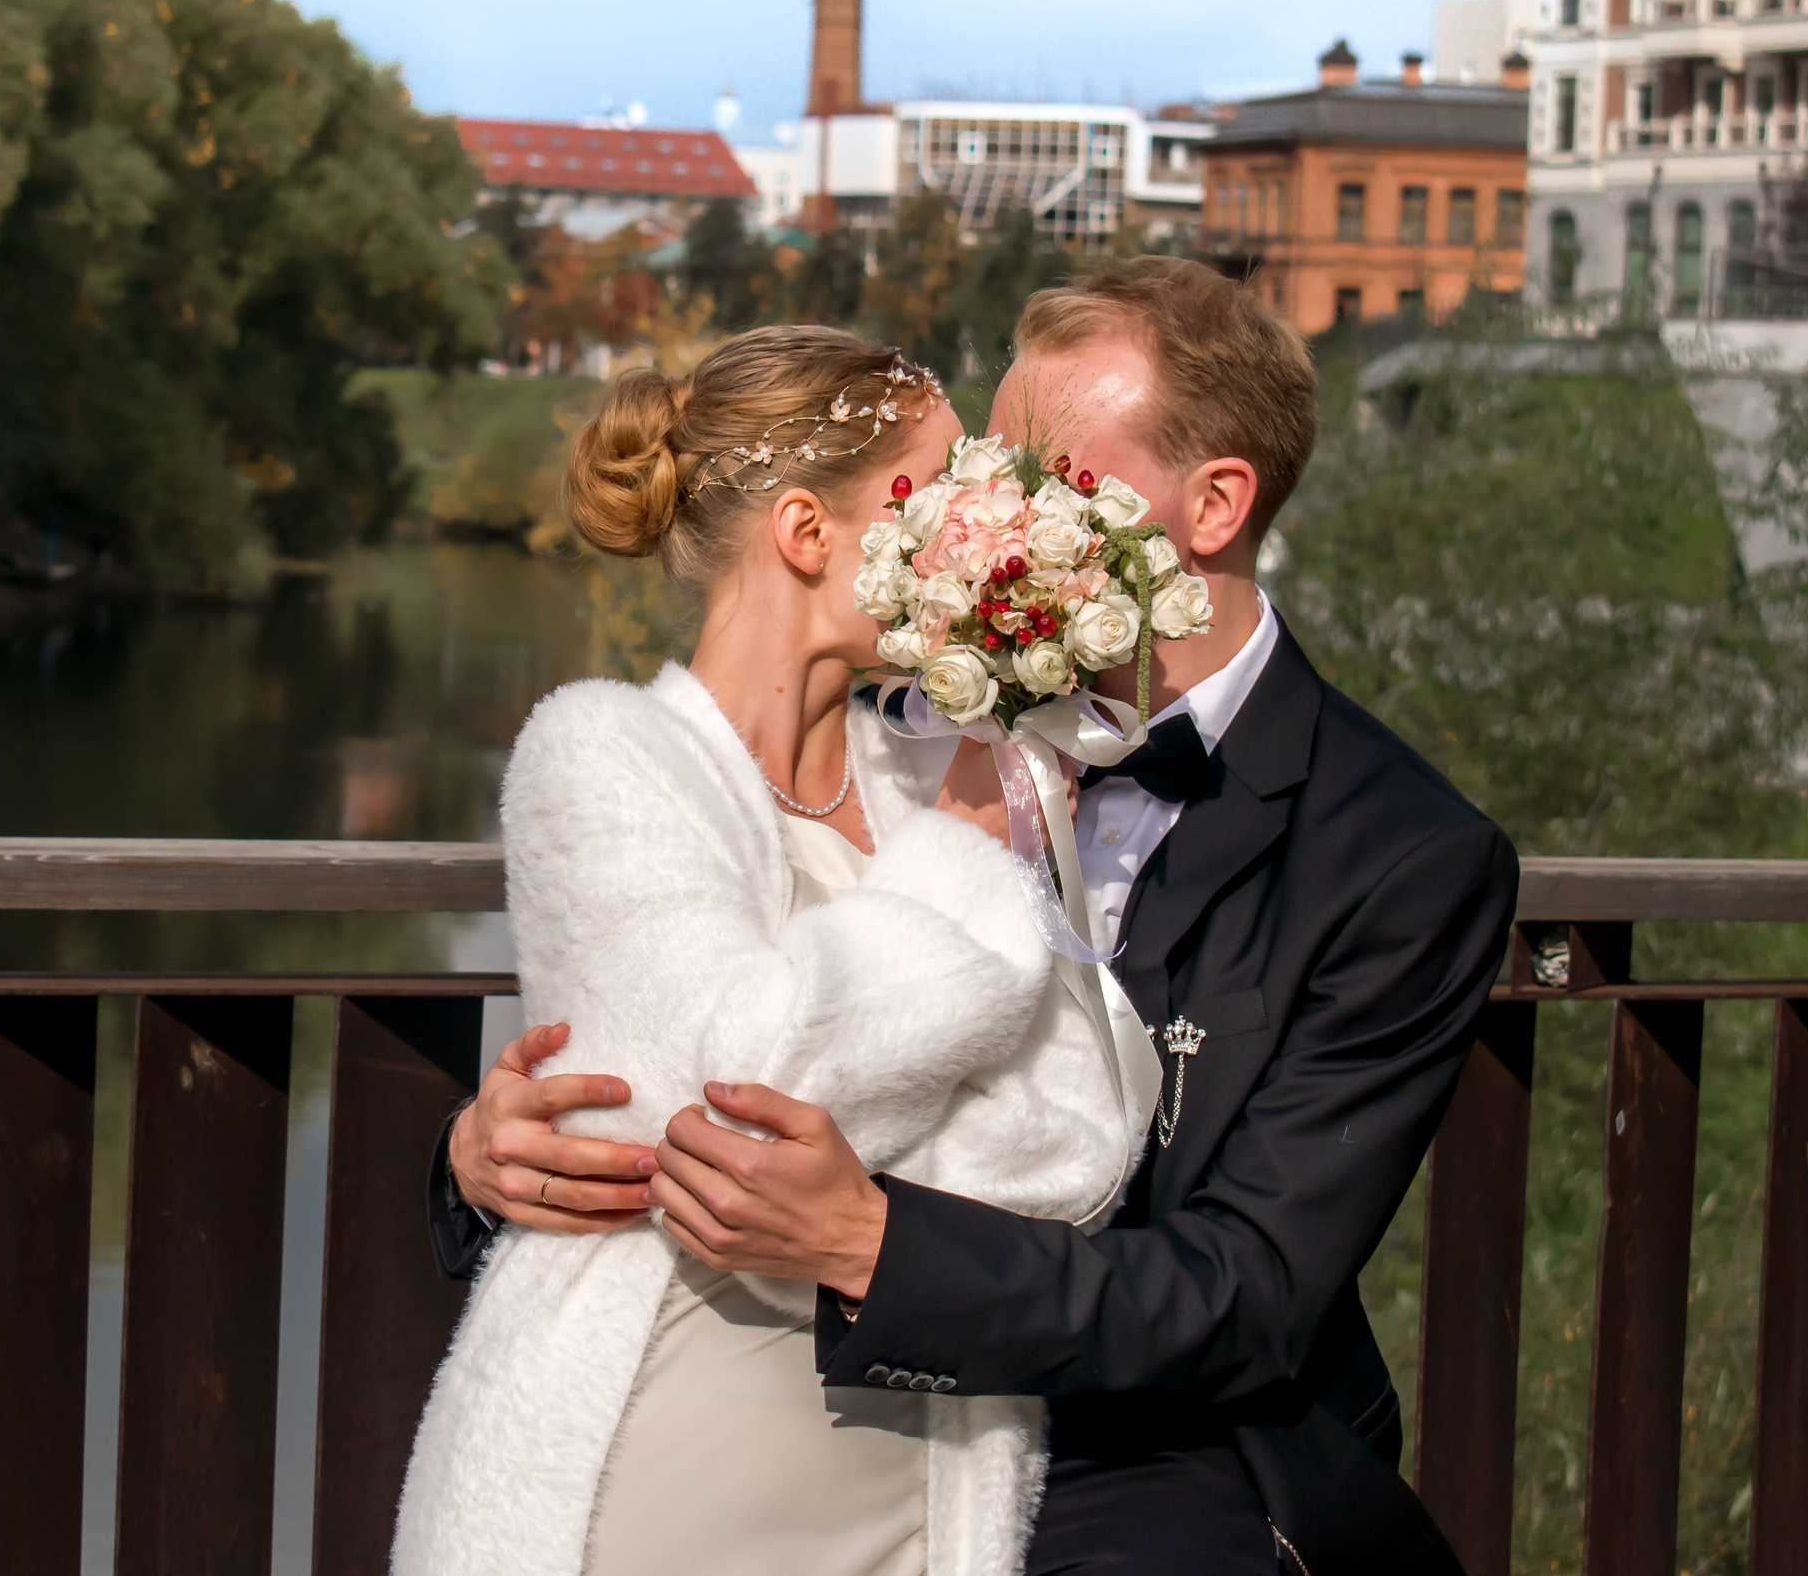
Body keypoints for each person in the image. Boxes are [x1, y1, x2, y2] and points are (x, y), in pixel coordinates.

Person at [434, 258, 1520, 1575]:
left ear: (1216, 504)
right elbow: (694, 1043)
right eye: (968, 476)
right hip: (816, 1399)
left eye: (1033, 477)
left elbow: (1245, 1286)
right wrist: (492, 1160)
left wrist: (881, 1243)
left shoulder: (1401, 853)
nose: (974, 515)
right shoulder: (899, 727)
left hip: (1155, 1439)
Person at [393, 329, 1151, 1576]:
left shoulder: (938, 772)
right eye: (937, 497)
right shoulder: (600, 755)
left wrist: (845, 1172)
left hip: (922, 1493)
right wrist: (965, 879)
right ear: (806, 533)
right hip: (653, 1477)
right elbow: (738, 1091)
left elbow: (1079, 1143)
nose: (981, 530)